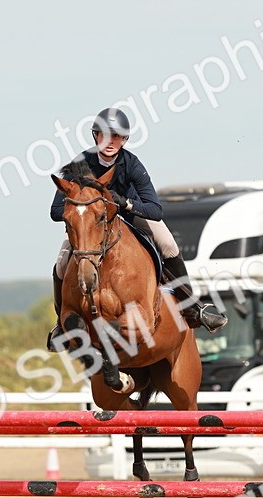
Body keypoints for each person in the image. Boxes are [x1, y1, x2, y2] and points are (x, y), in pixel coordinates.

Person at [47, 107, 226, 350]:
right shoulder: (80, 164)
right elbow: (56, 211)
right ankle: (61, 324)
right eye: (105, 135)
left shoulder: (131, 164)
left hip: (131, 217)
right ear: (95, 136)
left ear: (125, 140)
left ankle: (194, 307)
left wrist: (126, 203)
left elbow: (155, 209)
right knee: (60, 263)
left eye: (118, 136)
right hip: (90, 225)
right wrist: (85, 209)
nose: (111, 141)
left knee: (168, 244)